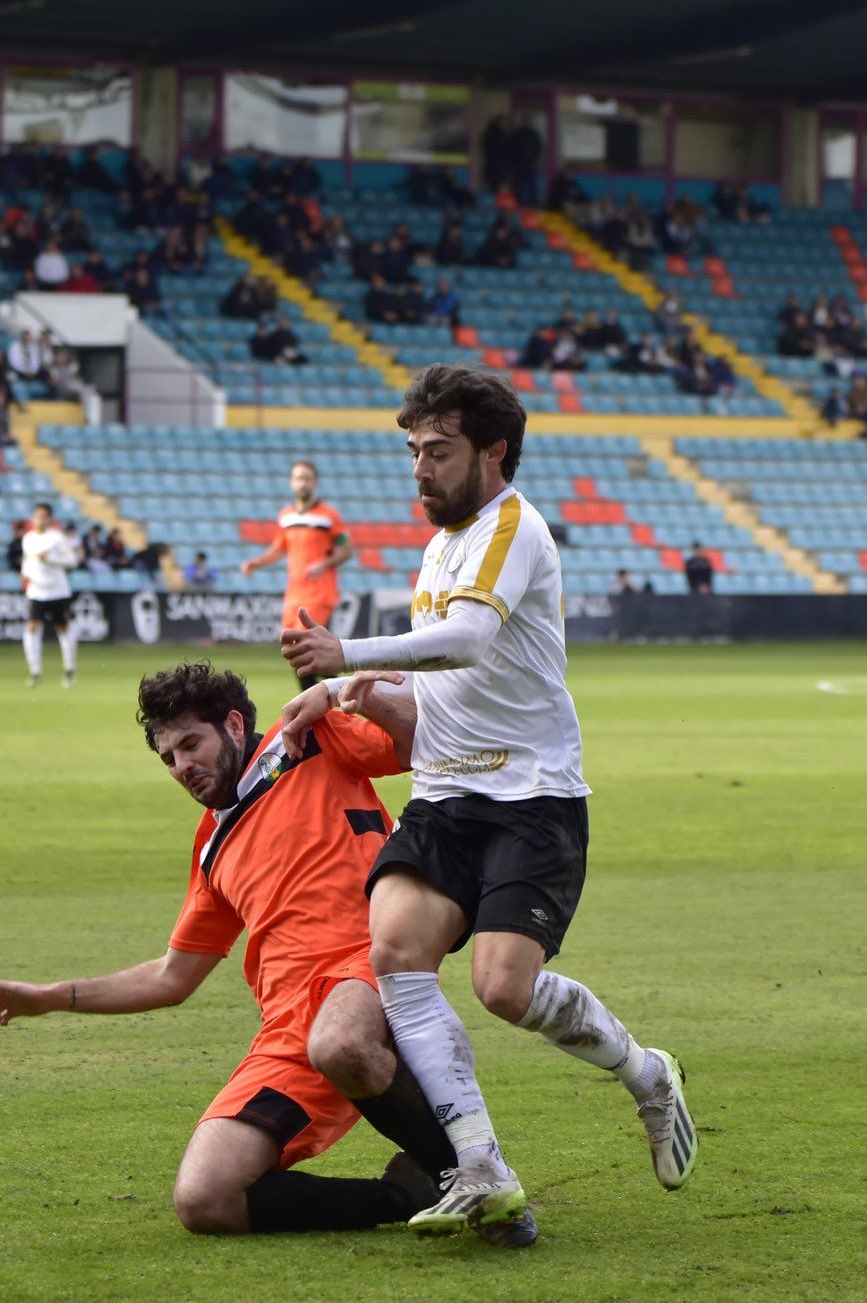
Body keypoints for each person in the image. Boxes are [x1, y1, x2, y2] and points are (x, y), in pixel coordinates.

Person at [276, 363, 694, 1238]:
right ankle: (479, 1167)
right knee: (397, 959)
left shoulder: (514, 528)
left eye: (439, 451)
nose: (420, 469)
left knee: (503, 989)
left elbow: (466, 640)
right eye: (414, 451)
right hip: (446, 792)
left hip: (530, 794)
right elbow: (444, 680)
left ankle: (648, 1073)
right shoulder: (441, 545)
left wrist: (344, 654)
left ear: (494, 452)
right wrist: (360, 693)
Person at [0, 663, 530, 1244]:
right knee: (205, 1199)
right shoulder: (212, 846)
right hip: (286, 1030)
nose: (182, 767)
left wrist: (348, 687)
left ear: (235, 724)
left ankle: (482, 1177)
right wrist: (48, 999)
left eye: (191, 744)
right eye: (168, 758)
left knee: (339, 1041)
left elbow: (428, 741)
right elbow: (172, 976)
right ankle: (407, 1192)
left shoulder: (308, 741)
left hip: (366, 966)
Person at [238, 460, 351, 681]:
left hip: (319, 593)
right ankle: (333, 701)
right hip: (295, 595)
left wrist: (324, 564)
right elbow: (279, 549)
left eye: (307, 478)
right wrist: (256, 563)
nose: (303, 483)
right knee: (300, 655)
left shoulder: (329, 515)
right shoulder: (286, 516)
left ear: (315, 483)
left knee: (307, 651)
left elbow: (347, 549)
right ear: (292, 483)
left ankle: (329, 704)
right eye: (299, 478)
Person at [18, 502, 81, 689]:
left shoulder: (57, 538)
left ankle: (69, 670)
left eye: (44, 516)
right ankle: (35, 671)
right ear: (33, 518)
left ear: (50, 519)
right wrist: (24, 572)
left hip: (57, 590)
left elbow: (72, 560)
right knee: (31, 627)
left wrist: (50, 558)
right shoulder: (28, 538)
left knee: (62, 628)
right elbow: (28, 560)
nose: (40, 519)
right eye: (37, 516)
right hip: (36, 590)